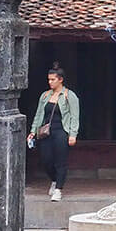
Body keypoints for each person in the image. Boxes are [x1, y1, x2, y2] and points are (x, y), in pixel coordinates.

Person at [29, 65, 79, 201]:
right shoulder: (45, 95)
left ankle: (58, 189)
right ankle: (54, 180)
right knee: (46, 160)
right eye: (49, 79)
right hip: (46, 132)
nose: (50, 82)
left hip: (62, 131)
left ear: (60, 80)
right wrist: (33, 131)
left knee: (60, 161)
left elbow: (75, 116)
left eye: (53, 79)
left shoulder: (69, 95)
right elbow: (39, 114)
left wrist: (73, 134)